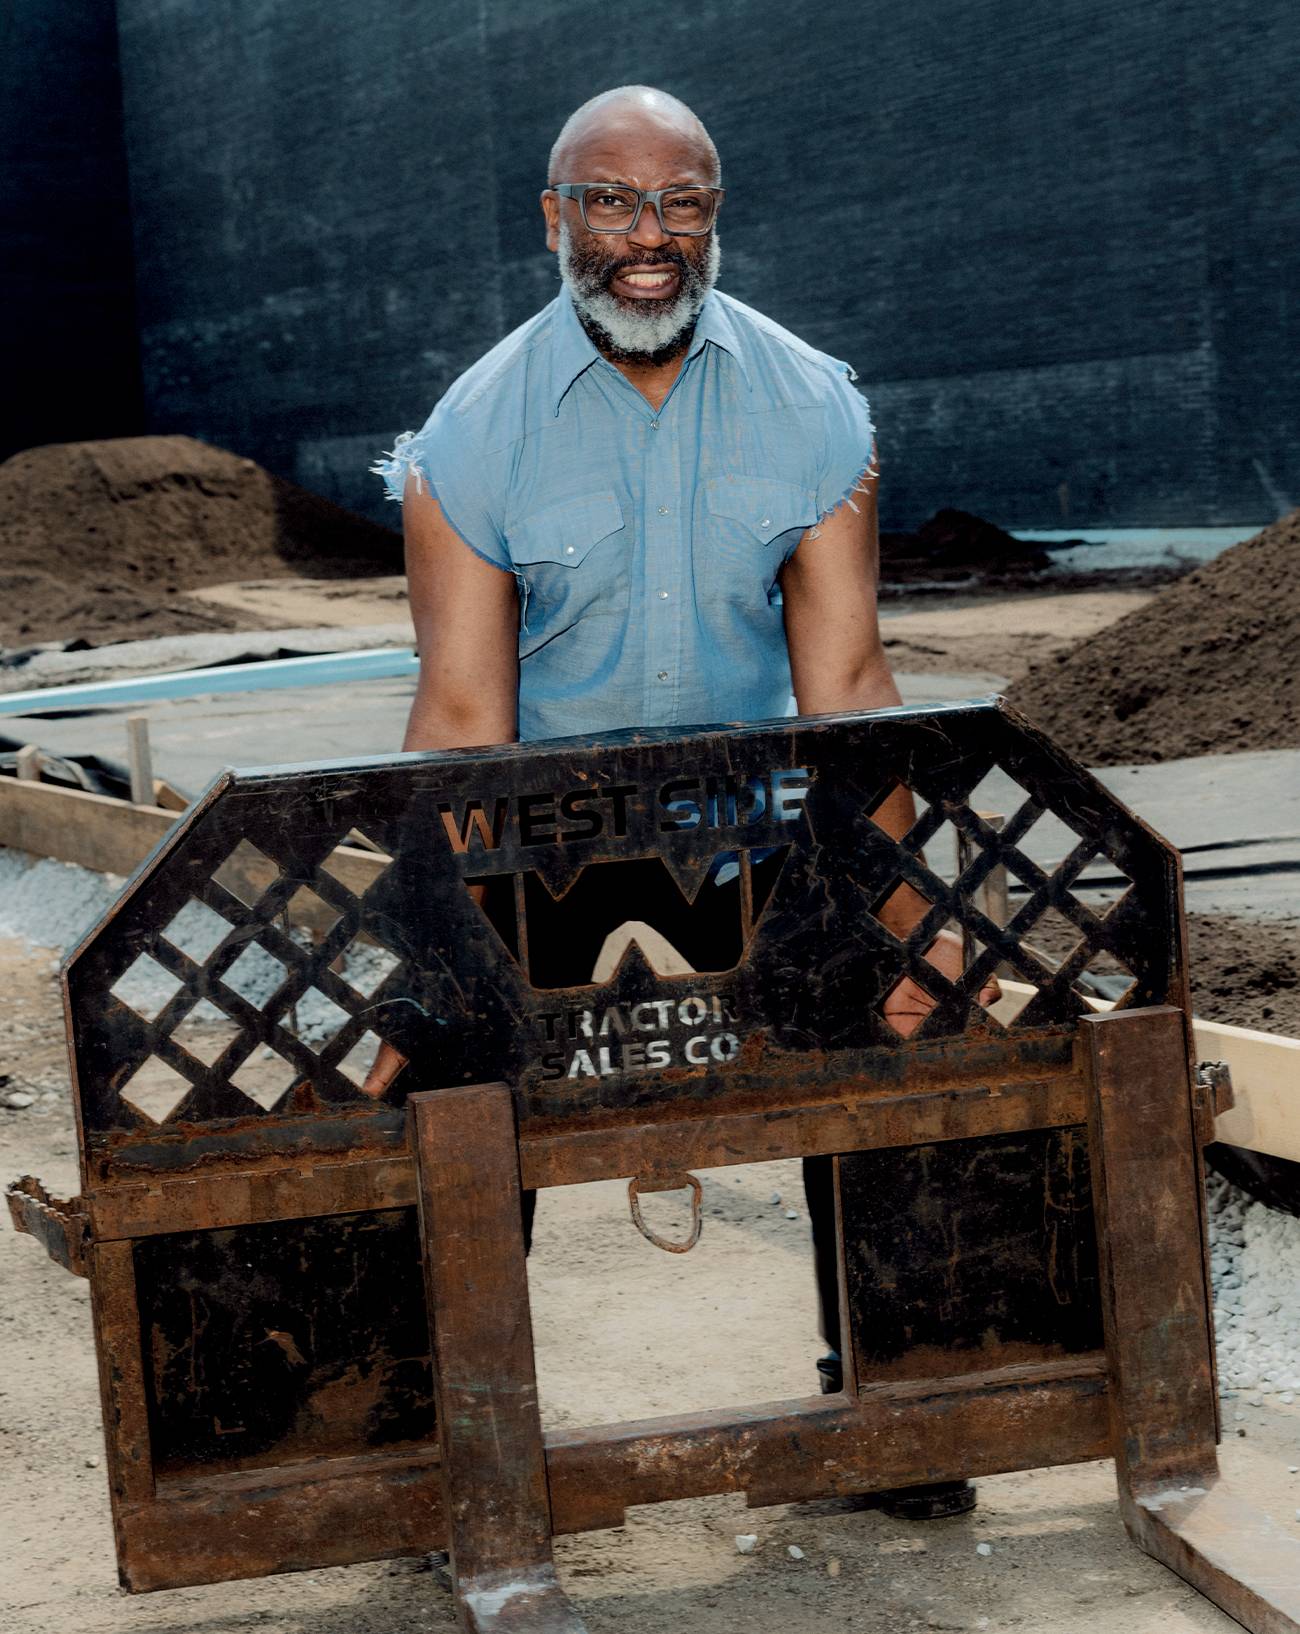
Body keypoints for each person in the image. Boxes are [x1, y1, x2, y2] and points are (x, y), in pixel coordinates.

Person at [367, 84, 986, 1520]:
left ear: (717, 214)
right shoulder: (472, 433)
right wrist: (438, 956)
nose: (647, 237)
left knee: (893, 1001)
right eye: (610, 202)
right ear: (554, 221)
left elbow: (846, 681)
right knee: (448, 1059)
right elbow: (463, 716)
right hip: (543, 830)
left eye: (680, 203)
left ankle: (894, 1409)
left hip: (762, 819)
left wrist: (915, 917)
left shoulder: (813, 404)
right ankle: (440, 1443)